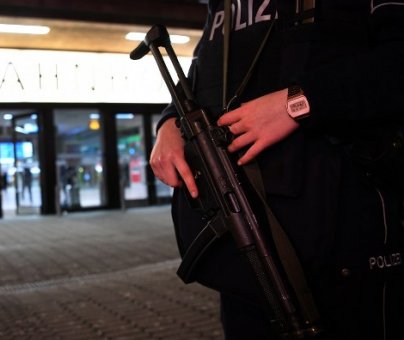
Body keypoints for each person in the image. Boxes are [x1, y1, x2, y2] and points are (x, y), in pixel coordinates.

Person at [150, 1, 404, 339]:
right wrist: (169, 123)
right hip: (245, 248)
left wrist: (296, 103)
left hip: (342, 247)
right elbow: (204, 74)